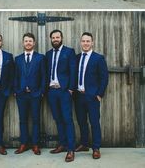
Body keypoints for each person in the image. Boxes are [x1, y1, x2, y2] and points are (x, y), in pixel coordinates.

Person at [74, 32, 109, 159]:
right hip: (78, 96)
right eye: (83, 41)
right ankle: (84, 144)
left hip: (92, 97)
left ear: (92, 42)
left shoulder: (98, 58)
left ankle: (96, 148)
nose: (85, 43)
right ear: (80, 42)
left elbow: (104, 78)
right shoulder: (76, 57)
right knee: (81, 122)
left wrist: (99, 94)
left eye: (88, 41)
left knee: (94, 122)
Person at [46, 29, 76, 163]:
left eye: (58, 37)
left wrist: (70, 89)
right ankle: (62, 144)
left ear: (62, 38)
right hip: (51, 91)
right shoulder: (48, 54)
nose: (55, 39)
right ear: (51, 39)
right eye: (53, 37)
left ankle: (71, 149)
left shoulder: (69, 52)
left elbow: (73, 71)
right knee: (57, 119)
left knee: (67, 120)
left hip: (64, 91)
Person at [14, 33, 46, 155]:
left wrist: (41, 92)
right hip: (21, 94)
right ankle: (23, 144)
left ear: (34, 43)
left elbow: (44, 76)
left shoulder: (40, 58)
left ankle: (35, 145)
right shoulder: (18, 59)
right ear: (23, 43)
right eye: (26, 41)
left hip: (35, 95)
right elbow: (15, 76)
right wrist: (16, 90)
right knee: (23, 120)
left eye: (30, 41)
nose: (28, 43)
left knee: (36, 120)